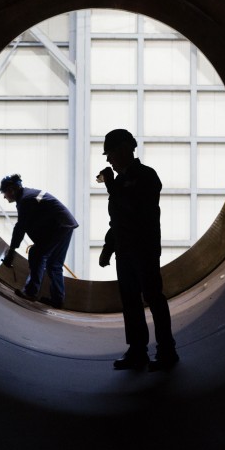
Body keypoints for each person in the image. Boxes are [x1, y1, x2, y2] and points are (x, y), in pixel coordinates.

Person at [97, 129, 179, 372]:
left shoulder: (146, 176)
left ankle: (166, 350)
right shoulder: (121, 181)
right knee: (130, 301)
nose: (108, 160)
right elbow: (118, 220)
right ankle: (137, 350)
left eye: (110, 153)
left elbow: (134, 208)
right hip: (125, 249)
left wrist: (112, 186)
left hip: (144, 249)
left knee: (153, 296)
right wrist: (108, 247)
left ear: (123, 149)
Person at [0, 174, 78, 309]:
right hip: (65, 224)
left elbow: (20, 228)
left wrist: (11, 251)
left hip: (60, 226)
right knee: (54, 264)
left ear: (11, 189)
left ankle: (30, 291)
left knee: (36, 253)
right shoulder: (28, 195)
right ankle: (57, 300)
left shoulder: (25, 200)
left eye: (5, 193)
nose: (5, 197)